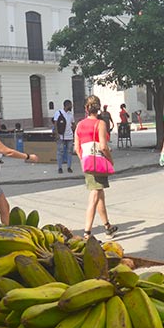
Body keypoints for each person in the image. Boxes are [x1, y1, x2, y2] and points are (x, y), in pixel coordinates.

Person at [75, 95, 118, 238]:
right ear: (98, 108)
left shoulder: (79, 125)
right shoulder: (100, 124)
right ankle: (87, 233)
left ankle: (107, 226)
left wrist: (84, 159)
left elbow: (76, 147)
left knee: (99, 194)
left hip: (87, 162)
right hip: (98, 162)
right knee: (94, 195)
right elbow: (103, 147)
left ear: (86, 108)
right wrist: (110, 161)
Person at [54, 100, 75, 174]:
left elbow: (73, 124)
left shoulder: (70, 114)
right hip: (61, 135)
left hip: (69, 136)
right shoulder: (58, 113)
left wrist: (74, 133)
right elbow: (55, 123)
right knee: (60, 152)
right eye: (70, 105)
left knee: (69, 152)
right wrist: (56, 134)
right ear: (67, 105)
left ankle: (69, 167)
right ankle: (60, 167)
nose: (71, 107)